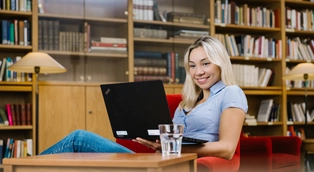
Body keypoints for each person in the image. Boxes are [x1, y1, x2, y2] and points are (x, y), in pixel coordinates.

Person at [40, 36, 248, 160]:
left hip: (173, 166)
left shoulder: (231, 93)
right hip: (158, 161)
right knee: (78, 155)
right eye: (192, 66)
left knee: (79, 138)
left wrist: (170, 147)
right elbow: (167, 144)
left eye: (205, 63)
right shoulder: (187, 104)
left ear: (220, 63)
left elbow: (227, 149)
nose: (198, 72)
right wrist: (159, 142)